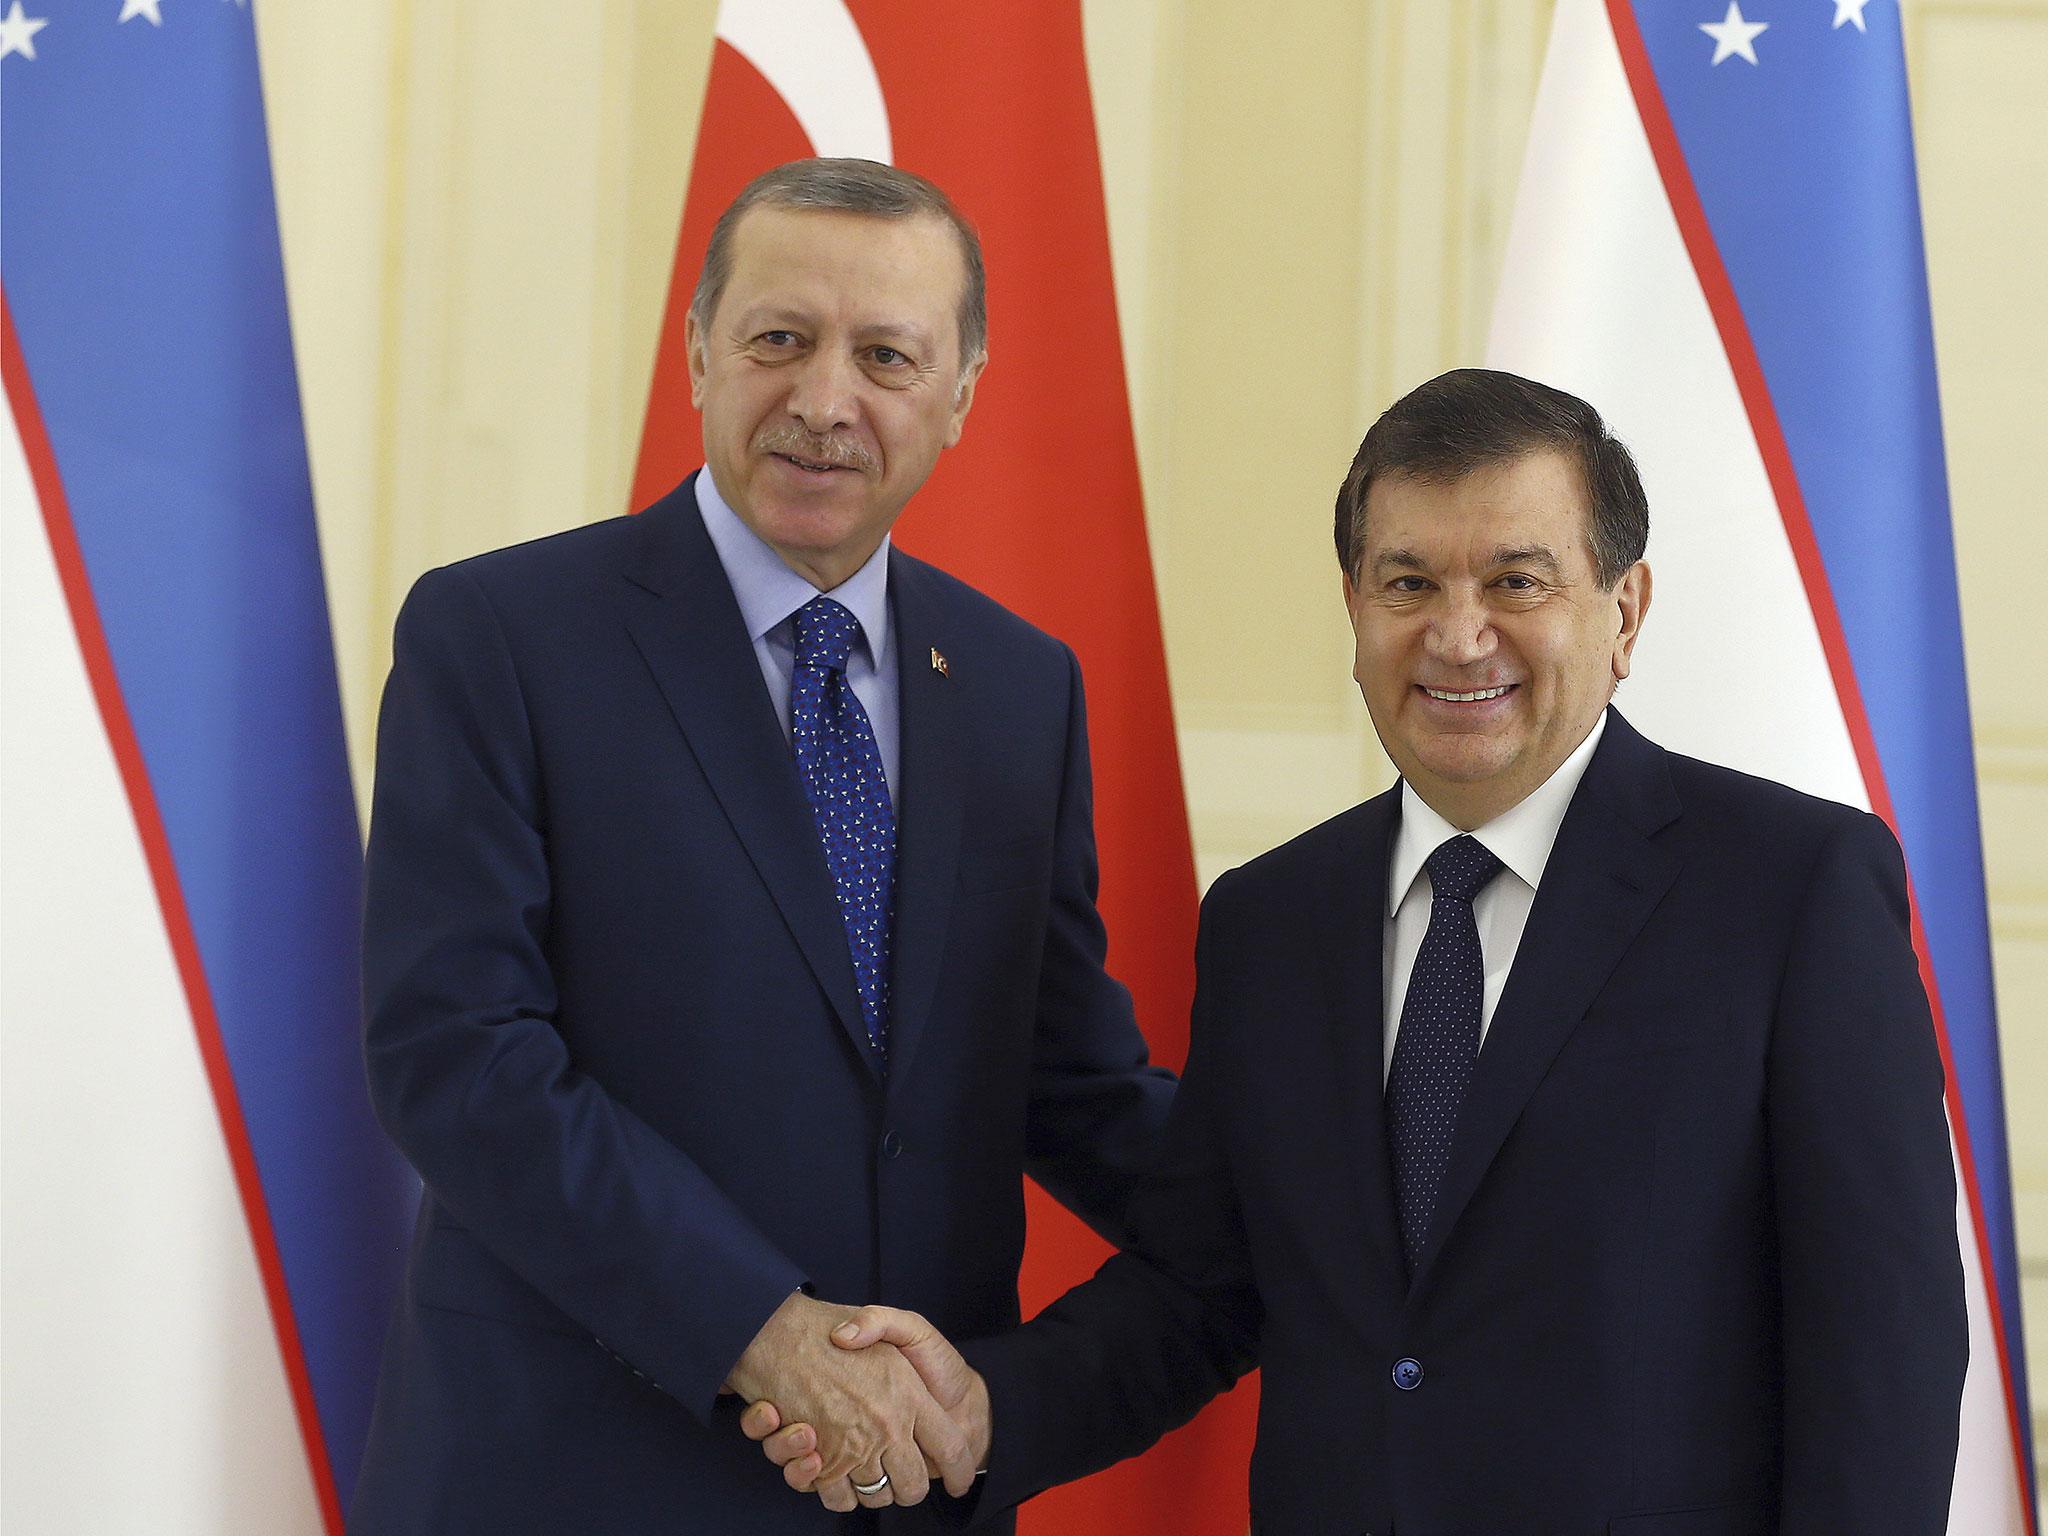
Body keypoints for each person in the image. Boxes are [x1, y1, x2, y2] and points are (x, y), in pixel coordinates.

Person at [749, 369, 1969, 1535]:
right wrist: (977, 1414)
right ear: (1351, 610)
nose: (1455, 635)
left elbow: (1880, 1349)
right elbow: (1197, 1291)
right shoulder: (1271, 921)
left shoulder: (1787, 887)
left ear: (1622, 610)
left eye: (1515, 581)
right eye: (1406, 583)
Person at [349, 158, 1176, 1534]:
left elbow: (1064, 1080)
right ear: (697, 353)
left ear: (962, 391)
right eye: (779, 339)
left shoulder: (1023, 687)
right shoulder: (500, 638)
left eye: (888, 356)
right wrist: (759, 1328)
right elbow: (459, 1056)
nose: (824, 400)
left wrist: (1336, 1188)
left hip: (894, 1493)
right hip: (566, 1478)